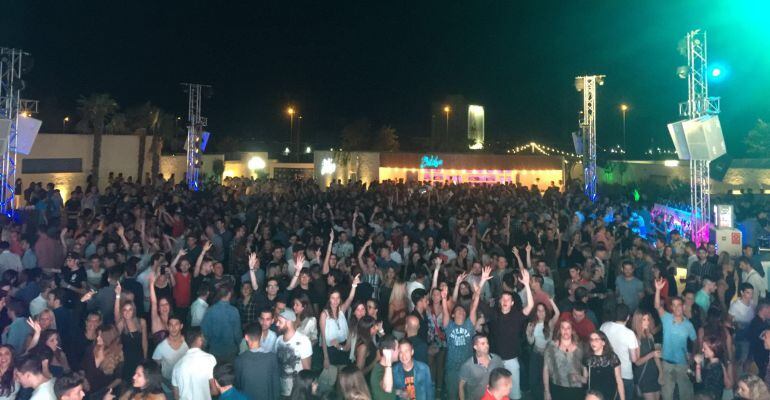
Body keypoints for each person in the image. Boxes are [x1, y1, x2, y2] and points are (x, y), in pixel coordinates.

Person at [477, 267, 534, 400]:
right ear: (499, 301)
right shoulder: (493, 314)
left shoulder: (517, 316)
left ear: (512, 303)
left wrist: (526, 284)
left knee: (514, 394)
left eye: (508, 299)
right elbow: (478, 299)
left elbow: (530, 306)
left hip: (512, 360)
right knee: (495, 394)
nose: (505, 301)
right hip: (495, 360)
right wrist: (482, 281)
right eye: (503, 299)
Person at [443, 267, 487, 400]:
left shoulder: (469, 324)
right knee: (452, 395)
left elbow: (473, 307)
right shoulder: (449, 326)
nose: (461, 312)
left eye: (463, 311)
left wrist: (481, 284)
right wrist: (444, 299)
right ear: (453, 314)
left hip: (468, 367)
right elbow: (445, 312)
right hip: (452, 368)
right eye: (458, 310)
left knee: (468, 396)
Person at [654, 278, 696, 400]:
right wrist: (657, 290)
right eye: (674, 305)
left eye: (679, 305)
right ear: (671, 307)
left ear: (683, 307)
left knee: (686, 395)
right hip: (667, 363)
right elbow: (657, 306)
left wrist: (692, 355)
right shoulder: (666, 318)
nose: (677, 308)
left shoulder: (688, 325)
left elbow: (695, 340)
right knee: (667, 395)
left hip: (682, 364)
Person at [599, 304, 638, 399]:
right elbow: (634, 359)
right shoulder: (629, 334)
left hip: (606, 371)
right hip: (624, 374)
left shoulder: (604, 326)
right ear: (628, 317)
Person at [320, 275, 360, 368]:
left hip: (344, 346)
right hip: (331, 350)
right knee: (332, 376)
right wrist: (326, 358)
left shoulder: (341, 310)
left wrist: (354, 285)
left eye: (337, 298)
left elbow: (350, 298)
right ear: (329, 299)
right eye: (332, 298)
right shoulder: (324, 315)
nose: (335, 301)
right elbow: (323, 337)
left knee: (342, 375)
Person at [233, 323, 280, 400]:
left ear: (246, 337)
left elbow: (238, 387)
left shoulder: (239, 360)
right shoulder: (272, 358)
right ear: (261, 335)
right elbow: (276, 386)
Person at [112, 286, 147, 384]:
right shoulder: (121, 324)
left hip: (138, 358)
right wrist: (118, 295)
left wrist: (145, 358)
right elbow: (116, 315)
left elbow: (144, 342)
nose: (127, 312)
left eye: (130, 309)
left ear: (134, 310)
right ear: (122, 312)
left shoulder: (141, 322)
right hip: (126, 360)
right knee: (127, 383)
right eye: (125, 310)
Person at [200, 282, 242, 363]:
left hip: (214, 351)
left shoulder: (210, 310)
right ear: (229, 294)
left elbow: (204, 332)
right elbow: (237, 334)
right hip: (230, 351)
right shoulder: (234, 311)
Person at [171, 327, 217, 400]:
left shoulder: (177, 366)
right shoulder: (210, 359)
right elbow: (215, 391)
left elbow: (176, 396)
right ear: (199, 339)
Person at [543, 320, 584, 400]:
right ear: (559, 330)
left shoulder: (580, 347)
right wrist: (546, 391)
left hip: (576, 389)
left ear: (572, 330)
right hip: (557, 387)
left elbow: (585, 370)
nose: (565, 331)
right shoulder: (551, 347)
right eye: (563, 328)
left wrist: (582, 379)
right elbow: (545, 369)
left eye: (568, 328)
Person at [275, 310, 312, 397]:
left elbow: (307, 371)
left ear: (288, 322)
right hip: (280, 391)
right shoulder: (278, 340)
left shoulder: (304, 341)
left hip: (296, 394)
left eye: (280, 321)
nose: (276, 324)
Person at [458, 334, 505, 400]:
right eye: (483, 344)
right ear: (475, 347)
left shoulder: (496, 359)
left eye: (487, 343)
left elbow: (503, 378)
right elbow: (461, 387)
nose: (487, 346)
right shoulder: (468, 365)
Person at [81, 325, 123, 398]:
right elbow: (82, 368)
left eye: (101, 336)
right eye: (98, 335)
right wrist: (83, 379)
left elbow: (119, 378)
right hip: (88, 391)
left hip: (105, 392)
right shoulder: (90, 349)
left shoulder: (118, 354)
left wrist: (104, 391)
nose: (98, 338)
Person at [151, 315, 188, 394]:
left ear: (181, 326)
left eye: (176, 324)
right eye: (171, 325)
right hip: (168, 387)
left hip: (185, 384)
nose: (173, 328)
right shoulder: (161, 347)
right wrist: (166, 382)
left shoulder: (188, 343)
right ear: (167, 327)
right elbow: (155, 369)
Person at [582, 331, 625, 400]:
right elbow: (585, 379)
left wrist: (623, 399)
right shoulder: (587, 358)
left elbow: (619, 380)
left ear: (603, 342)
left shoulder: (612, 357)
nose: (593, 342)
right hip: (593, 395)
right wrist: (577, 378)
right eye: (591, 340)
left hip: (609, 393)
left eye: (596, 339)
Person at [631, 310, 662, 399]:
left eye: (648, 319)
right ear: (638, 321)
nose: (647, 322)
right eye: (644, 319)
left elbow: (655, 356)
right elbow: (637, 362)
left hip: (654, 373)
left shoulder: (649, 336)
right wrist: (652, 354)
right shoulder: (636, 338)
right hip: (644, 375)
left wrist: (661, 372)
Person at [370, 335, 397, 400]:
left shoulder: (387, 367)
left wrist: (399, 392)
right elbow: (387, 388)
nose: (399, 350)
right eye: (397, 348)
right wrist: (388, 359)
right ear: (389, 351)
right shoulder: (378, 370)